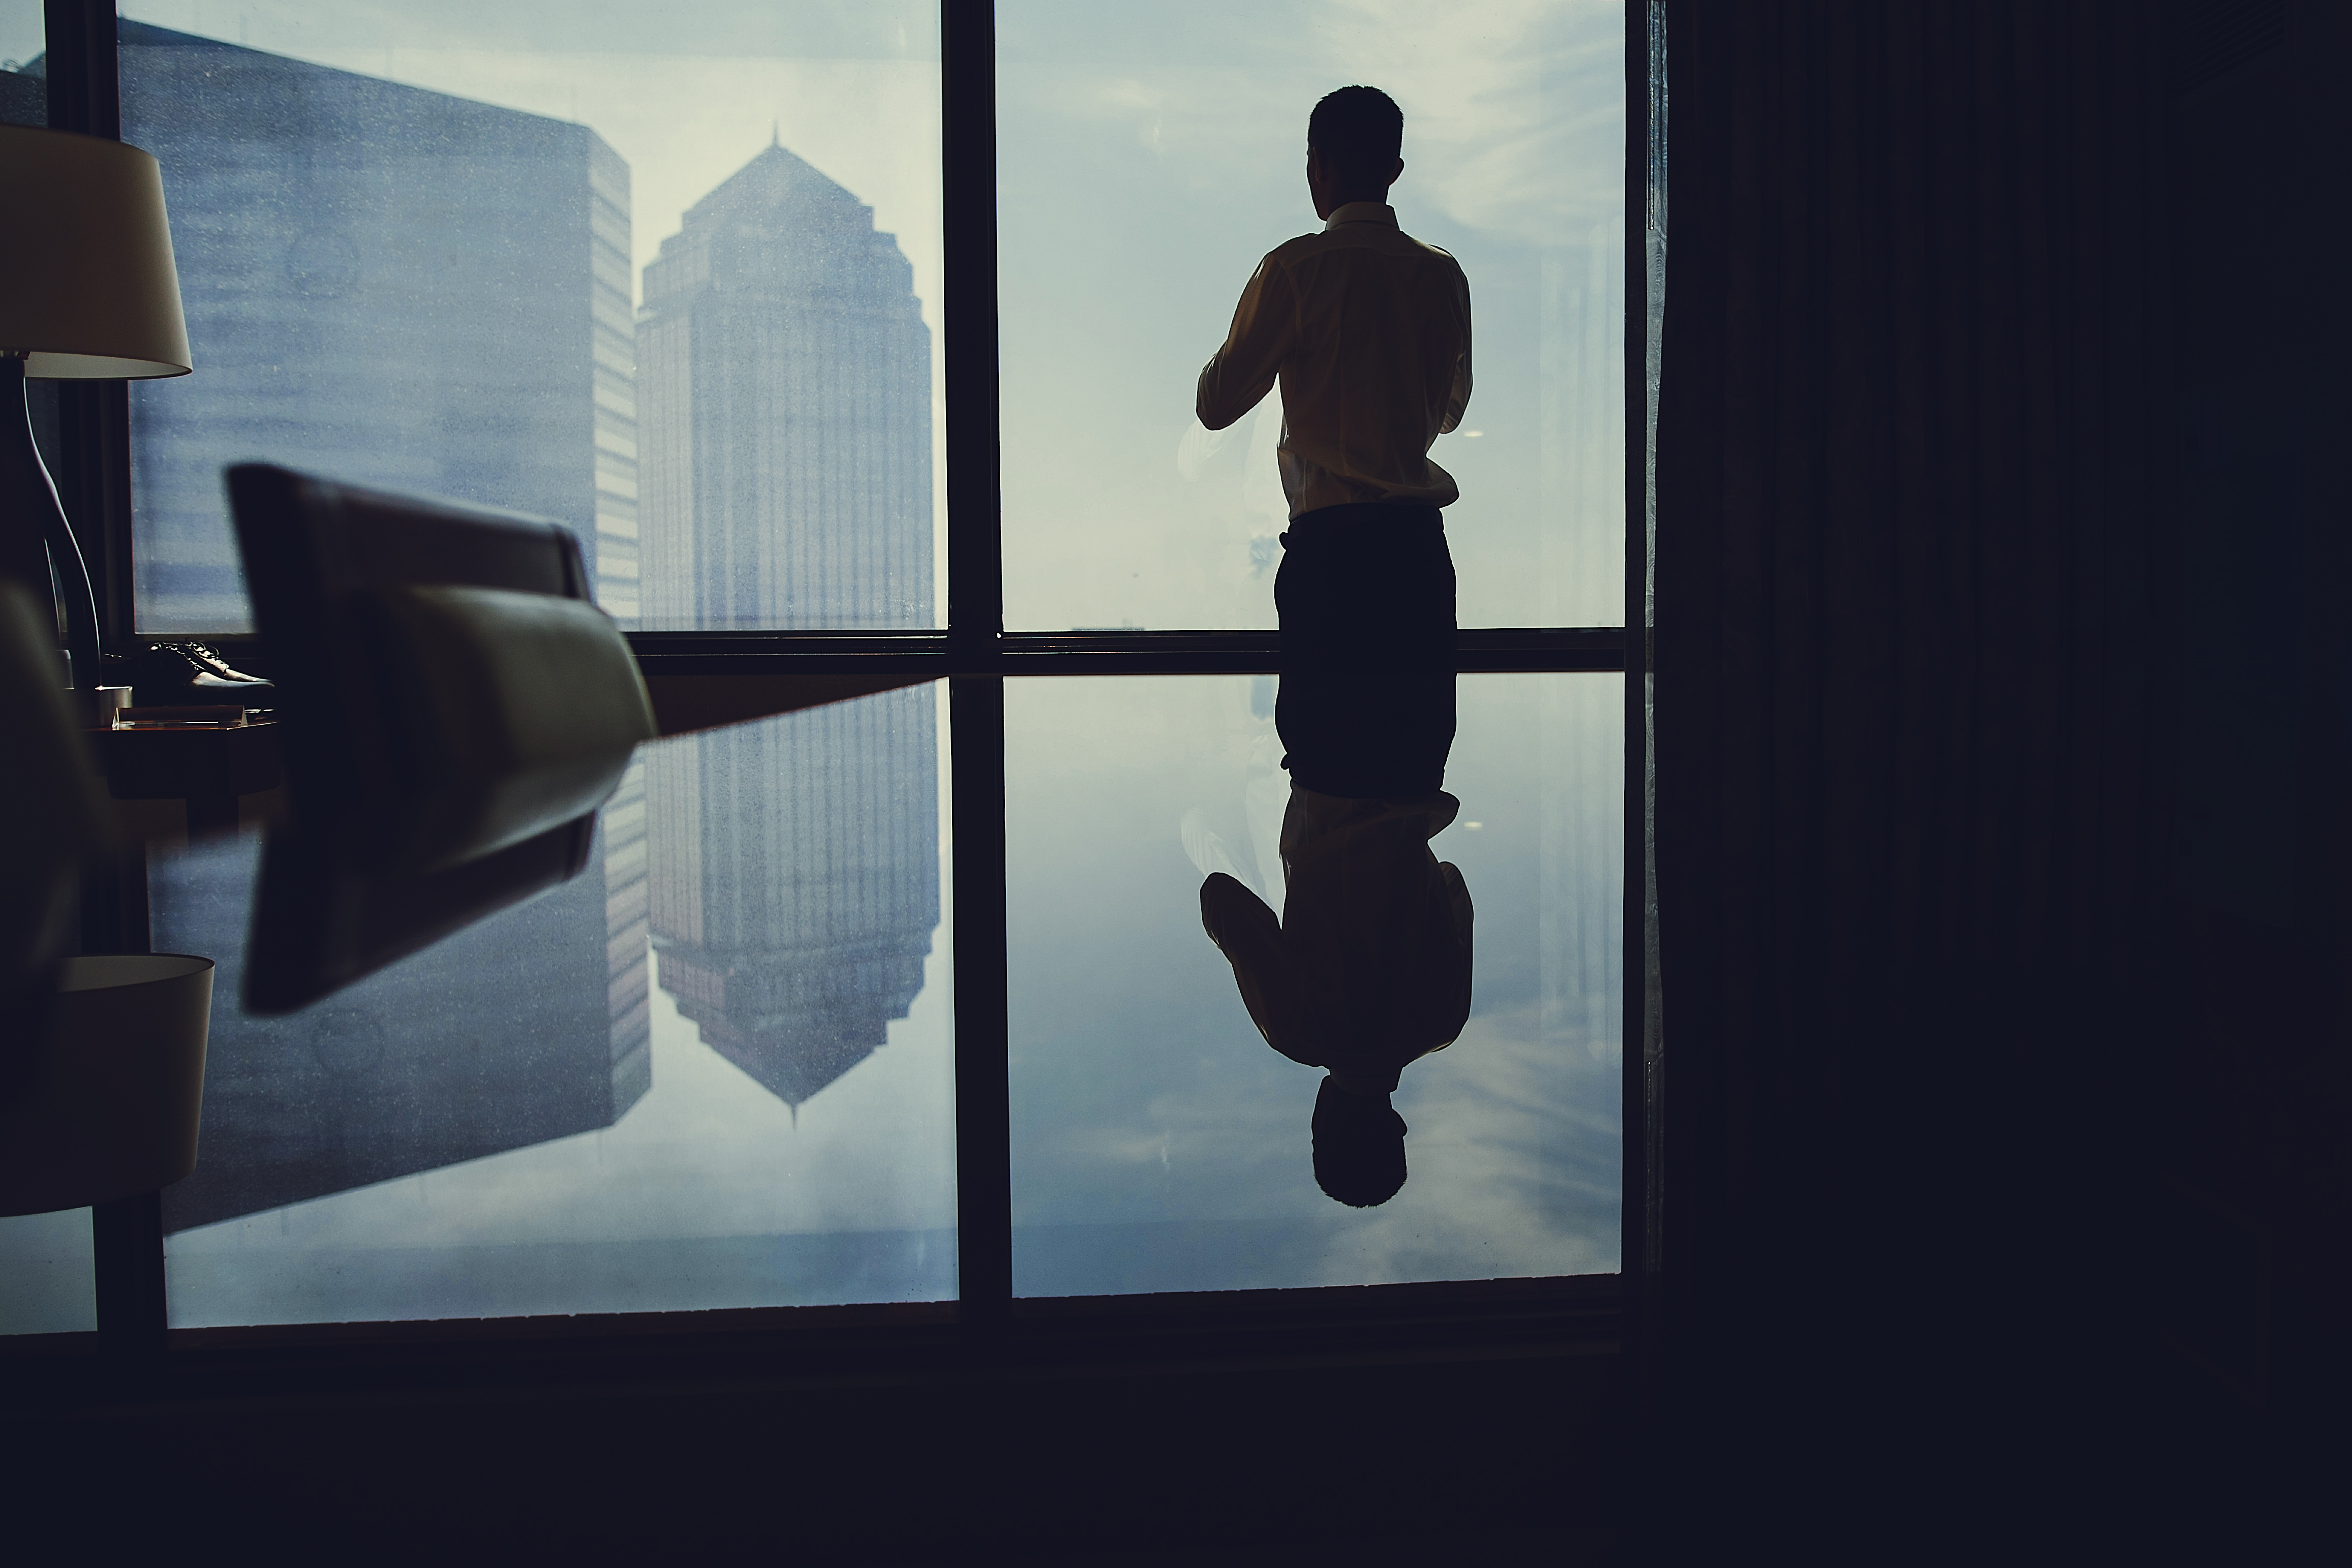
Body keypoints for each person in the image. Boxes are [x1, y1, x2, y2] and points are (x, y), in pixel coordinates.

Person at [1190, 91, 1477, 1204]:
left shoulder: (1293, 271)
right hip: (1413, 555)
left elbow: (1218, 403)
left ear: (1319, 171)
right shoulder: (1439, 278)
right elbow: (1226, 906)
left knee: (1388, 756)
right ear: (1396, 166)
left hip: (1330, 561)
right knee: (1348, 751)